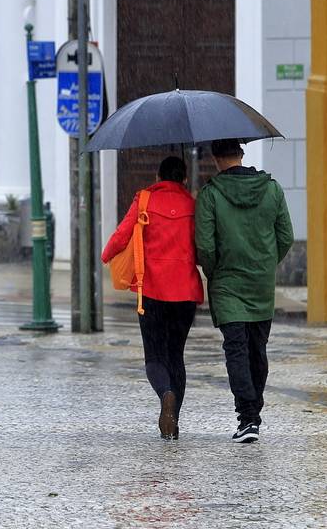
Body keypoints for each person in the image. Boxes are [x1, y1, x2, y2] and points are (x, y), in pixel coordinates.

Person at [196, 138, 293, 444]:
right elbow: (286, 236)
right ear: (241, 153)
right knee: (257, 349)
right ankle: (253, 413)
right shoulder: (272, 189)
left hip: (227, 284)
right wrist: (266, 263)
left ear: (215, 158)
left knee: (236, 348)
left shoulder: (210, 195)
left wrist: (215, 273)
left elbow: (205, 246)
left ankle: (247, 417)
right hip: (260, 282)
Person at [101, 156, 204, 440]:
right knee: (176, 356)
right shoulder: (193, 205)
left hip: (152, 291)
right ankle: (174, 420)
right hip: (185, 292)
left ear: (158, 177)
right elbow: (202, 244)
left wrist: (107, 255)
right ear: (183, 178)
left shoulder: (144, 200)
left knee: (155, 356)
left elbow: (122, 234)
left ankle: (165, 395)